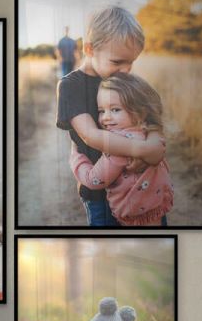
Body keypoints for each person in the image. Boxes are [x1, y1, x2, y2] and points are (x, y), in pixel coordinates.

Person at [56, 5, 166, 227]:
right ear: (89, 49)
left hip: (143, 188)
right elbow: (90, 135)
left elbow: (151, 117)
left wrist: (155, 144)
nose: (126, 69)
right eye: (117, 62)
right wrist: (143, 149)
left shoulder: (123, 81)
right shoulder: (71, 86)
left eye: (131, 62)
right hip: (102, 195)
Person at [69, 73, 173, 227]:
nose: (106, 117)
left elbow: (94, 180)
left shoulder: (118, 147)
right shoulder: (149, 134)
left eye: (115, 110)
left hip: (134, 218)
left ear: (139, 111)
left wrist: (76, 158)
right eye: (101, 111)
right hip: (156, 207)